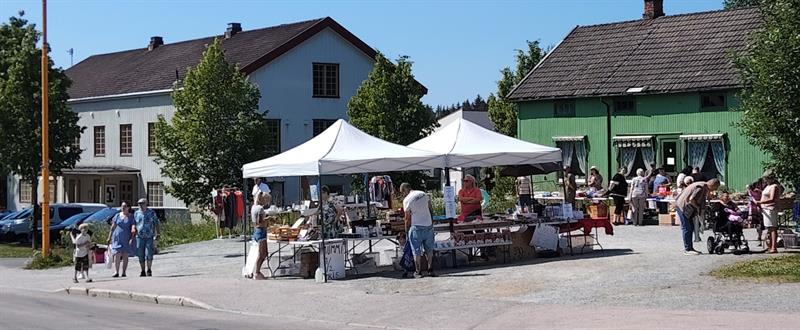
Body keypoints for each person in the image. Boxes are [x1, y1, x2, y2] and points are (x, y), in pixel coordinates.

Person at [675, 179, 720, 255]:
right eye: (716, 187)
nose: (715, 189)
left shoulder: (703, 184)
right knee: (687, 228)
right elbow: (691, 199)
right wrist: (697, 207)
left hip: (682, 205)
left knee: (690, 227)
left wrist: (708, 195)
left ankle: (690, 248)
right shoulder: (700, 188)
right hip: (683, 207)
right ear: (713, 185)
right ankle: (688, 249)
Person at [400, 183, 436, 278]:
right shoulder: (423, 194)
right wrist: (431, 222)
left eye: (402, 192)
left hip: (416, 227)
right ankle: (430, 269)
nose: (403, 195)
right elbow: (430, 209)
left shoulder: (406, 200)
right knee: (429, 249)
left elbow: (407, 218)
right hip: (428, 225)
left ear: (404, 190)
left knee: (416, 251)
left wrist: (407, 230)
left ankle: (418, 271)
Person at [106, 202, 136, 278]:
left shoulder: (131, 217)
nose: (123, 208)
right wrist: (109, 237)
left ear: (128, 207)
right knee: (117, 254)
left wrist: (132, 237)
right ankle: (116, 271)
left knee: (125, 255)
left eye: (125, 206)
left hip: (126, 238)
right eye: (122, 206)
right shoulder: (117, 216)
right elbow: (112, 227)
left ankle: (124, 272)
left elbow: (133, 226)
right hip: (117, 238)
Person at [756, 172, 781, 253]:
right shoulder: (768, 186)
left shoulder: (774, 186)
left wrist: (760, 202)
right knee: (769, 228)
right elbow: (766, 195)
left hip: (771, 209)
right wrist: (760, 191)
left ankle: (774, 247)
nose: (764, 180)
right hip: (766, 209)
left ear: (770, 178)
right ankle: (770, 246)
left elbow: (772, 198)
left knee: (772, 228)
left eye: (766, 178)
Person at [134, 198, 160, 277]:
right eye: (139, 204)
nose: (140, 205)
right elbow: (134, 224)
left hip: (149, 236)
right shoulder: (136, 213)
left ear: (146, 204)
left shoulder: (151, 212)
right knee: (140, 254)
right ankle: (142, 270)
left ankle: (149, 269)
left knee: (149, 253)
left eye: (142, 203)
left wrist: (158, 233)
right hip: (139, 236)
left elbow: (156, 223)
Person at [249, 192, 271, 280]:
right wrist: (269, 218)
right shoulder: (260, 208)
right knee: (263, 253)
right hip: (261, 230)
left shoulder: (253, 207)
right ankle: (257, 272)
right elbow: (261, 221)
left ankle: (255, 271)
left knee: (261, 253)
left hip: (256, 231)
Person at [746, 178, 765, 246]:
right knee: (758, 223)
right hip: (754, 207)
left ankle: (761, 236)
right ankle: (759, 237)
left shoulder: (761, 189)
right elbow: (750, 197)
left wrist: (760, 191)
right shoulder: (750, 189)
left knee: (761, 223)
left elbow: (764, 195)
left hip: (761, 206)